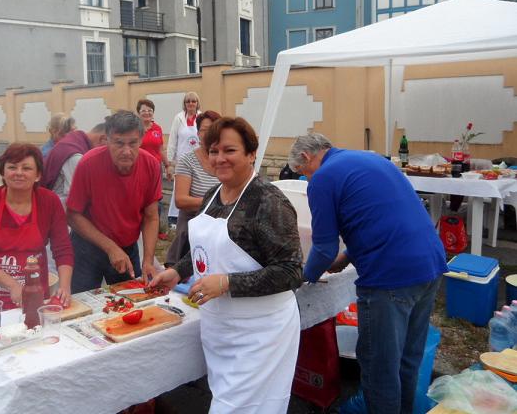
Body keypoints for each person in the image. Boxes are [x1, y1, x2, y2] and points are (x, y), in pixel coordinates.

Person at [151, 117, 303, 414]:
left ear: (251, 154)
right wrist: (177, 271)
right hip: (219, 328)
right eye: (214, 151)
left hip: (260, 333)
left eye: (230, 150)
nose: (220, 158)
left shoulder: (269, 201)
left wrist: (227, 283)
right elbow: (204, 249)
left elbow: (292, 270)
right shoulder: (212, 196)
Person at [289, 133, 448, 414]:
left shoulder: (323, 177)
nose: (307, 179)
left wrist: (301, 277)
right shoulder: (371, 159)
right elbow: (382, 216)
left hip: (390, 276)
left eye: (303, 172)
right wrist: (347, 256)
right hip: (430, 263)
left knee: (379, 368)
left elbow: (323, 248)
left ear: (306, 157)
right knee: (407, 360)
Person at [0, 143, 74, 317]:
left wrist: (64, 286)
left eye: (26, 168)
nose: (18, 173)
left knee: (35, 328)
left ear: (38, 175)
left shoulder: (50, 202)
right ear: (3, 172)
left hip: (34, 288)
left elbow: (62, 249)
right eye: (12, 167)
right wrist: (13, 285)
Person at [66, 110, 162, 293]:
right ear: (107, 140)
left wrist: (148, 260)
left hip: (127, 247)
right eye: (119, 143)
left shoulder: (151, 165)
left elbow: (151, 217)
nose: (126, 151)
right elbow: (72, 215)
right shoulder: (88, 163)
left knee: (131, 299)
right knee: (82, 302)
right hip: (87, 246)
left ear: (141, 140)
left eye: (132, 143)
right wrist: (110, 247)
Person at [164, 110, 221, 267]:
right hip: (192, 227)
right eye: (204, 130)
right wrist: (217, 202)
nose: (208, 134)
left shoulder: (224, 160)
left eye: (213, 129)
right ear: (197, 133)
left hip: (221, 227)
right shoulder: (187, 161)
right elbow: (181, 200)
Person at [42, 122, 107, 208]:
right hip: (60, 210)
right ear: (102, 139)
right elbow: (75, 199)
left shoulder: (75, 139)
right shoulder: (75, 156)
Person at [137, 99, 171, 238]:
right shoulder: (135, 129)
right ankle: (139, 227)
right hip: (139, 168)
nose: (147, 113)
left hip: (156, 169)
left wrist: (167, 165)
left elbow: (160, 149)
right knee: (140, 198)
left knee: (157, 198)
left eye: (150, 110)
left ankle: (158, 229)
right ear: (139, 113)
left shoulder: (157, 128)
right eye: (143, 110)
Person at [167, 92, 201, 224]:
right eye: (188, 101)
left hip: (198, 160)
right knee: (179, 190)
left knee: (196, 189)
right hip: (182, 162)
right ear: (184, 104)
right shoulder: (179, 118)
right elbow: (172, 141)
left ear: (197, 103)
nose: (191, 104)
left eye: (193, 101)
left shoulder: (202, 117)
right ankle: (174, 218)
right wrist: (169, 163)